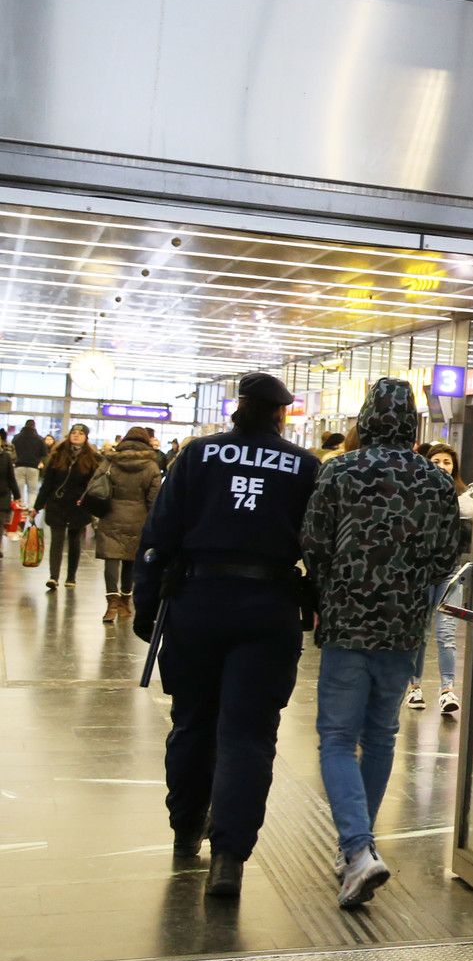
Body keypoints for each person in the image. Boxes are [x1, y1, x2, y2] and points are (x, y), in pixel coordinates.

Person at [134, 374, 319, 897]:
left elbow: (159, 534)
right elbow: (318, 543)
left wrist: (147, 606)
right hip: (269, 608)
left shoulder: (197, 456)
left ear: (238, 409)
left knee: (192, 721)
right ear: (280, 415)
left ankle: (185, 828)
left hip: (197, 603)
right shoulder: (303, 467)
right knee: (249, 733)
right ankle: (229, 859)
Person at [301, 377, 465, 909]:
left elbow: (314, 542)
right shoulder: (436, 483)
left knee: (335, 738)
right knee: (381, 736)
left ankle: (356, 847)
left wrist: (329, 589)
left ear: (366, 417)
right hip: (402, 627)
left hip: (348, 621)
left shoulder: (341, 471)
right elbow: (446, 558)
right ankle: (359, 848)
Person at [406, 441, 473, 716]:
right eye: (436, 462)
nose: (442, 467)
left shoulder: (464, 498)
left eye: (447, 462)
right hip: (421, 574)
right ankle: (414, 687)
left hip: (450, 574)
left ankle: (448, 690)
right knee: (420, 633)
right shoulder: (415, 494)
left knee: (447, 634)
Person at [94, 426, 165, 624]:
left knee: (111, 559)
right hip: (138, 518)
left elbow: (95, 484)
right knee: (130, 560)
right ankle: (125, 600)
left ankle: (111, 602)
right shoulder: (151, 466)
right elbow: (154, 498)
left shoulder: (110, 460)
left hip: (111, 515)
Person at [34, 424, 99, 591]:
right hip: (57, 503)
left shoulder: (92, 459)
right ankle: (53, 577)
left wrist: (88, 502)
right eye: (74, 433)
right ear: (69, 435)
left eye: (80, 433)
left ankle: (71, 577)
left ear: (86, 437)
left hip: (78, 506)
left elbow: (94, 486)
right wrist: (37, 506)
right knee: (56, 540)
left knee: (74, 540)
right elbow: (47, 484)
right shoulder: (57, 456)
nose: (76, 436)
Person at [12, 418, 46, 513]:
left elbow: (12, 450)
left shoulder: (16, 437)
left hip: (18, 466)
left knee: (19, 488)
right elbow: (44, 453)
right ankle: (31, 508)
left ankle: (20, 507)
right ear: (34, 426)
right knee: (32, 490)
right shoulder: (39, 438)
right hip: (33, 467)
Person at [0, 429, 19, 561]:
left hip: (2, 495)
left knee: (0, 522)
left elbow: (11, 477)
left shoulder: (6, 457)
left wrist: (17, 495)